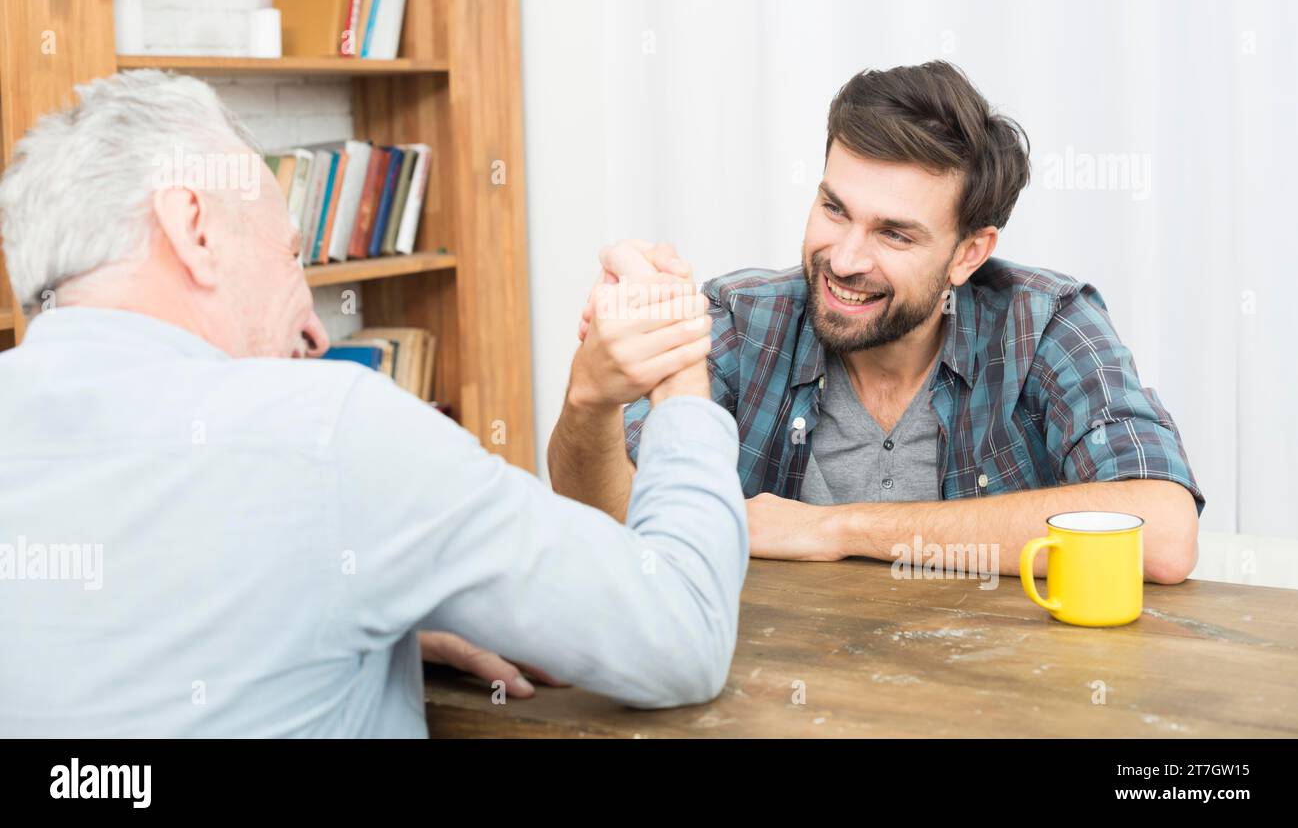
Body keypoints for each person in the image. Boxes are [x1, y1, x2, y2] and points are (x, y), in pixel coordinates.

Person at [0, 70, 745, 736]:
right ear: (193, 228)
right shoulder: (327, 431)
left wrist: (375, 612)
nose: (315, 329)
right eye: (292, 257)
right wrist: (679, 363)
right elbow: (685, 632)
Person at [549, 61, 1203, 584]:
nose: (845, 258)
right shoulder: (743, 319)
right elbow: (615, 521)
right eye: (835, 208)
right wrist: (589, 397)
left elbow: (1164, 534)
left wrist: (835, 528)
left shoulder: (1044, 322)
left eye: (894, 233)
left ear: (968, 254)